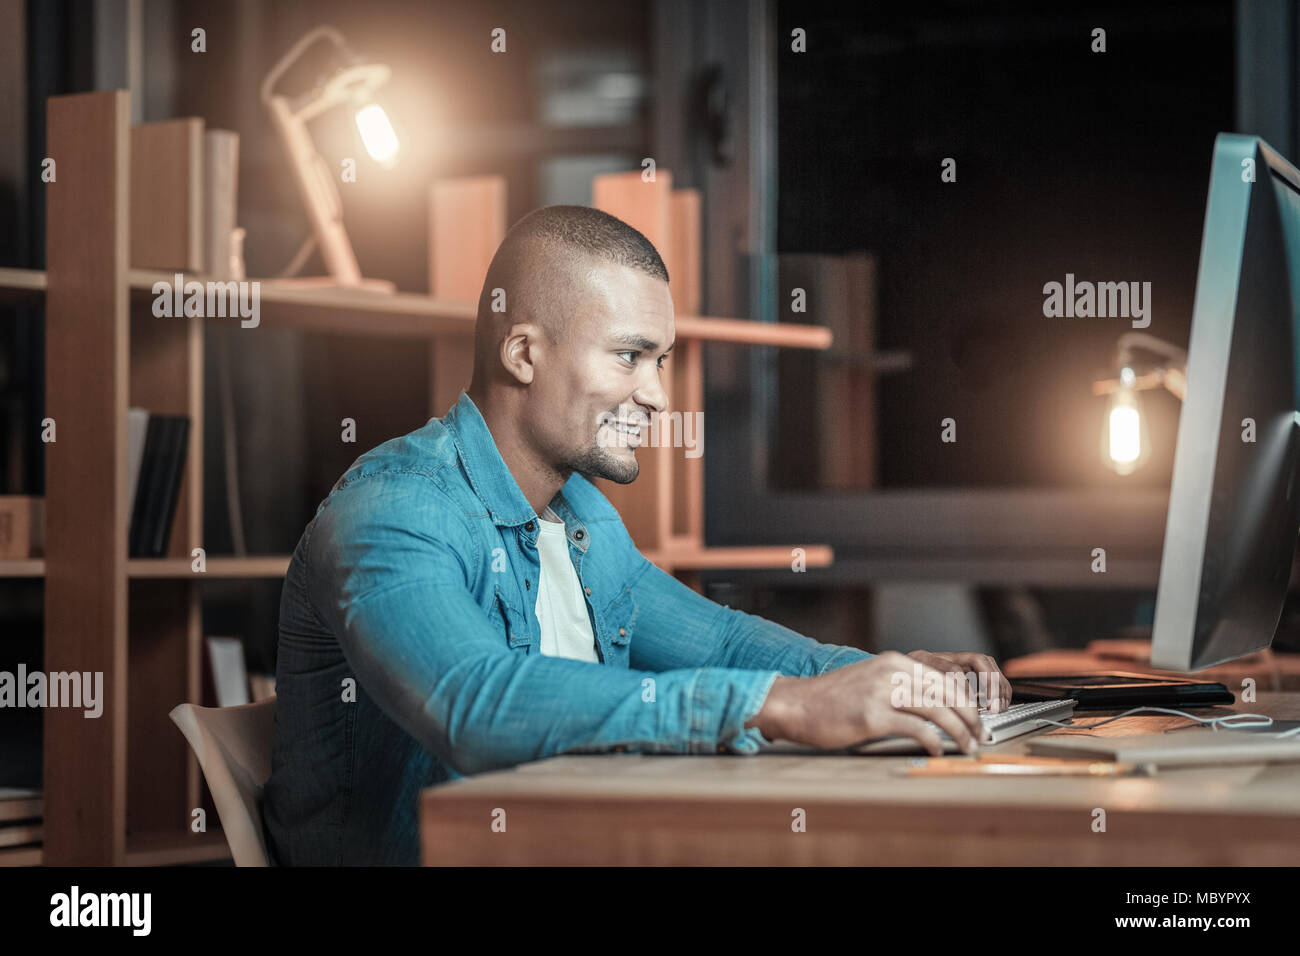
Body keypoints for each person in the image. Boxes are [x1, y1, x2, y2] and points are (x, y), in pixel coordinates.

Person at [262, 204, 1010, 865]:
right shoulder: (397, 510)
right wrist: (779, 705)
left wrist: (884, 675)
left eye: (662, 361)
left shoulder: (581, 516)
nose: (655, 396)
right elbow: (473, 703)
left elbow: (718, 642)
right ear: (523, 354)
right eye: (629, 356)